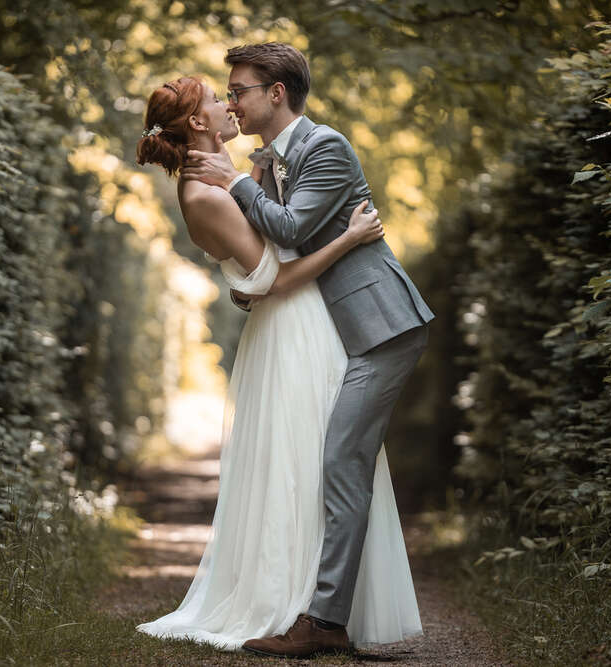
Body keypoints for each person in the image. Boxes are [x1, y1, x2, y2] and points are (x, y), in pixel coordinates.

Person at [133, 69, 423, 654]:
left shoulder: (263, 167)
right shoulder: (207, 190)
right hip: (294, 327)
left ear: (276, 93)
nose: (228, 104)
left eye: (233, 92)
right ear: (197, 122)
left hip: (308, 324)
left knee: (319, 460)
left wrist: (251, 186)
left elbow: (268, 254)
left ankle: (320, 611)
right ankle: (302, 607)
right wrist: (349, 237)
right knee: (304, 463)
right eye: (220, 99)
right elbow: (277, 273)